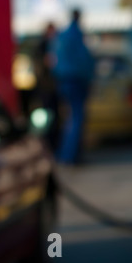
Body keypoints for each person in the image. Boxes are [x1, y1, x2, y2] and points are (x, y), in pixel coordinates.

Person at [52, 9, 94, 164]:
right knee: (76, 118)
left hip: (64, 81)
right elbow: (84, 61)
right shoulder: (76, 35)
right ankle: (70, 155)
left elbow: (54, 61)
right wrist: (89, 78)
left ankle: (66, 154)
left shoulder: (62, 36)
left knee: (70, 119)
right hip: (76, 80)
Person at [33, 22, 59, 151]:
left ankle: (52, 145)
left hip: (51, 88)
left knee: (54, 118)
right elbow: (41, 68)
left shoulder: (52, 45)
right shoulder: (43, 46)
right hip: (46, 88)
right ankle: (47, 145)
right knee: (48, 119)